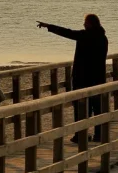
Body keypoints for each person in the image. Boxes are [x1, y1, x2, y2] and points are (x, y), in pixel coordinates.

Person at [38, 14, 109, 142]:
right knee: (97, 107)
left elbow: (67, 33)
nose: (83, 24)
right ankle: (99, 135)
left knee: (81, 108)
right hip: (98, 78)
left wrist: (49, 26)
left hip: (82, 78)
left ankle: (80, 135)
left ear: (91, 24)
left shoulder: (85, 36)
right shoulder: (103, 38)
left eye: (85, 22)